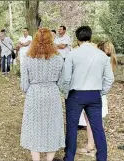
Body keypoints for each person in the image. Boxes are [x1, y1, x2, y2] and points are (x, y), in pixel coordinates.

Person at [62, 26, 114, 161]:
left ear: (77, 39)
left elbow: (66, 78)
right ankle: (102, 158)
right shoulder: (102, 55)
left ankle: (69, 158)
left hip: (76, 94)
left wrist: (65, 93)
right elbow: (110, 79)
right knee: (98, 128)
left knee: (72, 128)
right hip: (95, 94)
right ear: (90, 37)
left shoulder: (72, 54)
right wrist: (101, 92)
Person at [20, 28, 65, 161]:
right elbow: (62, 83)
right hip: (52, 94)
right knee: (52, 126)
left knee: (34, 127)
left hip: (34, 94)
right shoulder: (58, 59)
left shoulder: (27, 59)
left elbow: (24, 86)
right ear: (51, 41)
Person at [77, 40, 117, 155]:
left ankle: (90, 147)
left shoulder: (103, 61)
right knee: (94, 122)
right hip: (99, 94)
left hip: (96, 94)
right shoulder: (110, 60)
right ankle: (92, 145)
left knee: (91, 122)